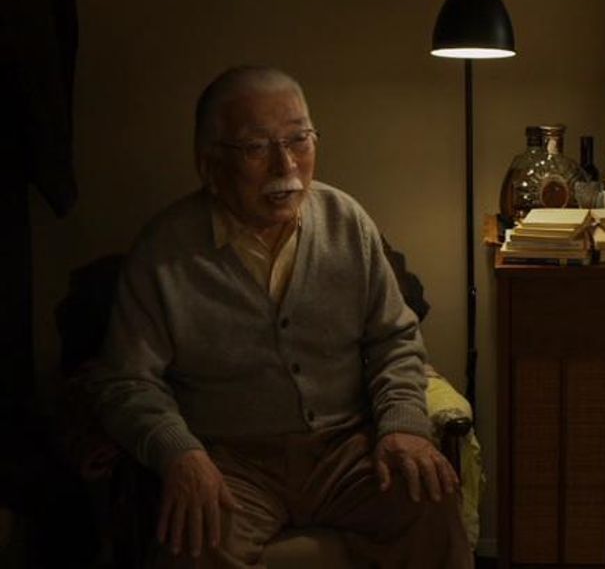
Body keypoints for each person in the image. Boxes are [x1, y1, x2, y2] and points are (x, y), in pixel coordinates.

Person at [85, 66, 472, 568]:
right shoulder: (164, 250)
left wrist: (403, 425)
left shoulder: (346, 222)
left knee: (429, 505)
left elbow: (394, 339)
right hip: (230, 461)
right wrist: (179, 452)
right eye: (255, 147)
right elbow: (125, 381)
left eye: (299, 139)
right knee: (192, 544)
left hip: (346, 451)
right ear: (209, 164)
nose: (285, 164)